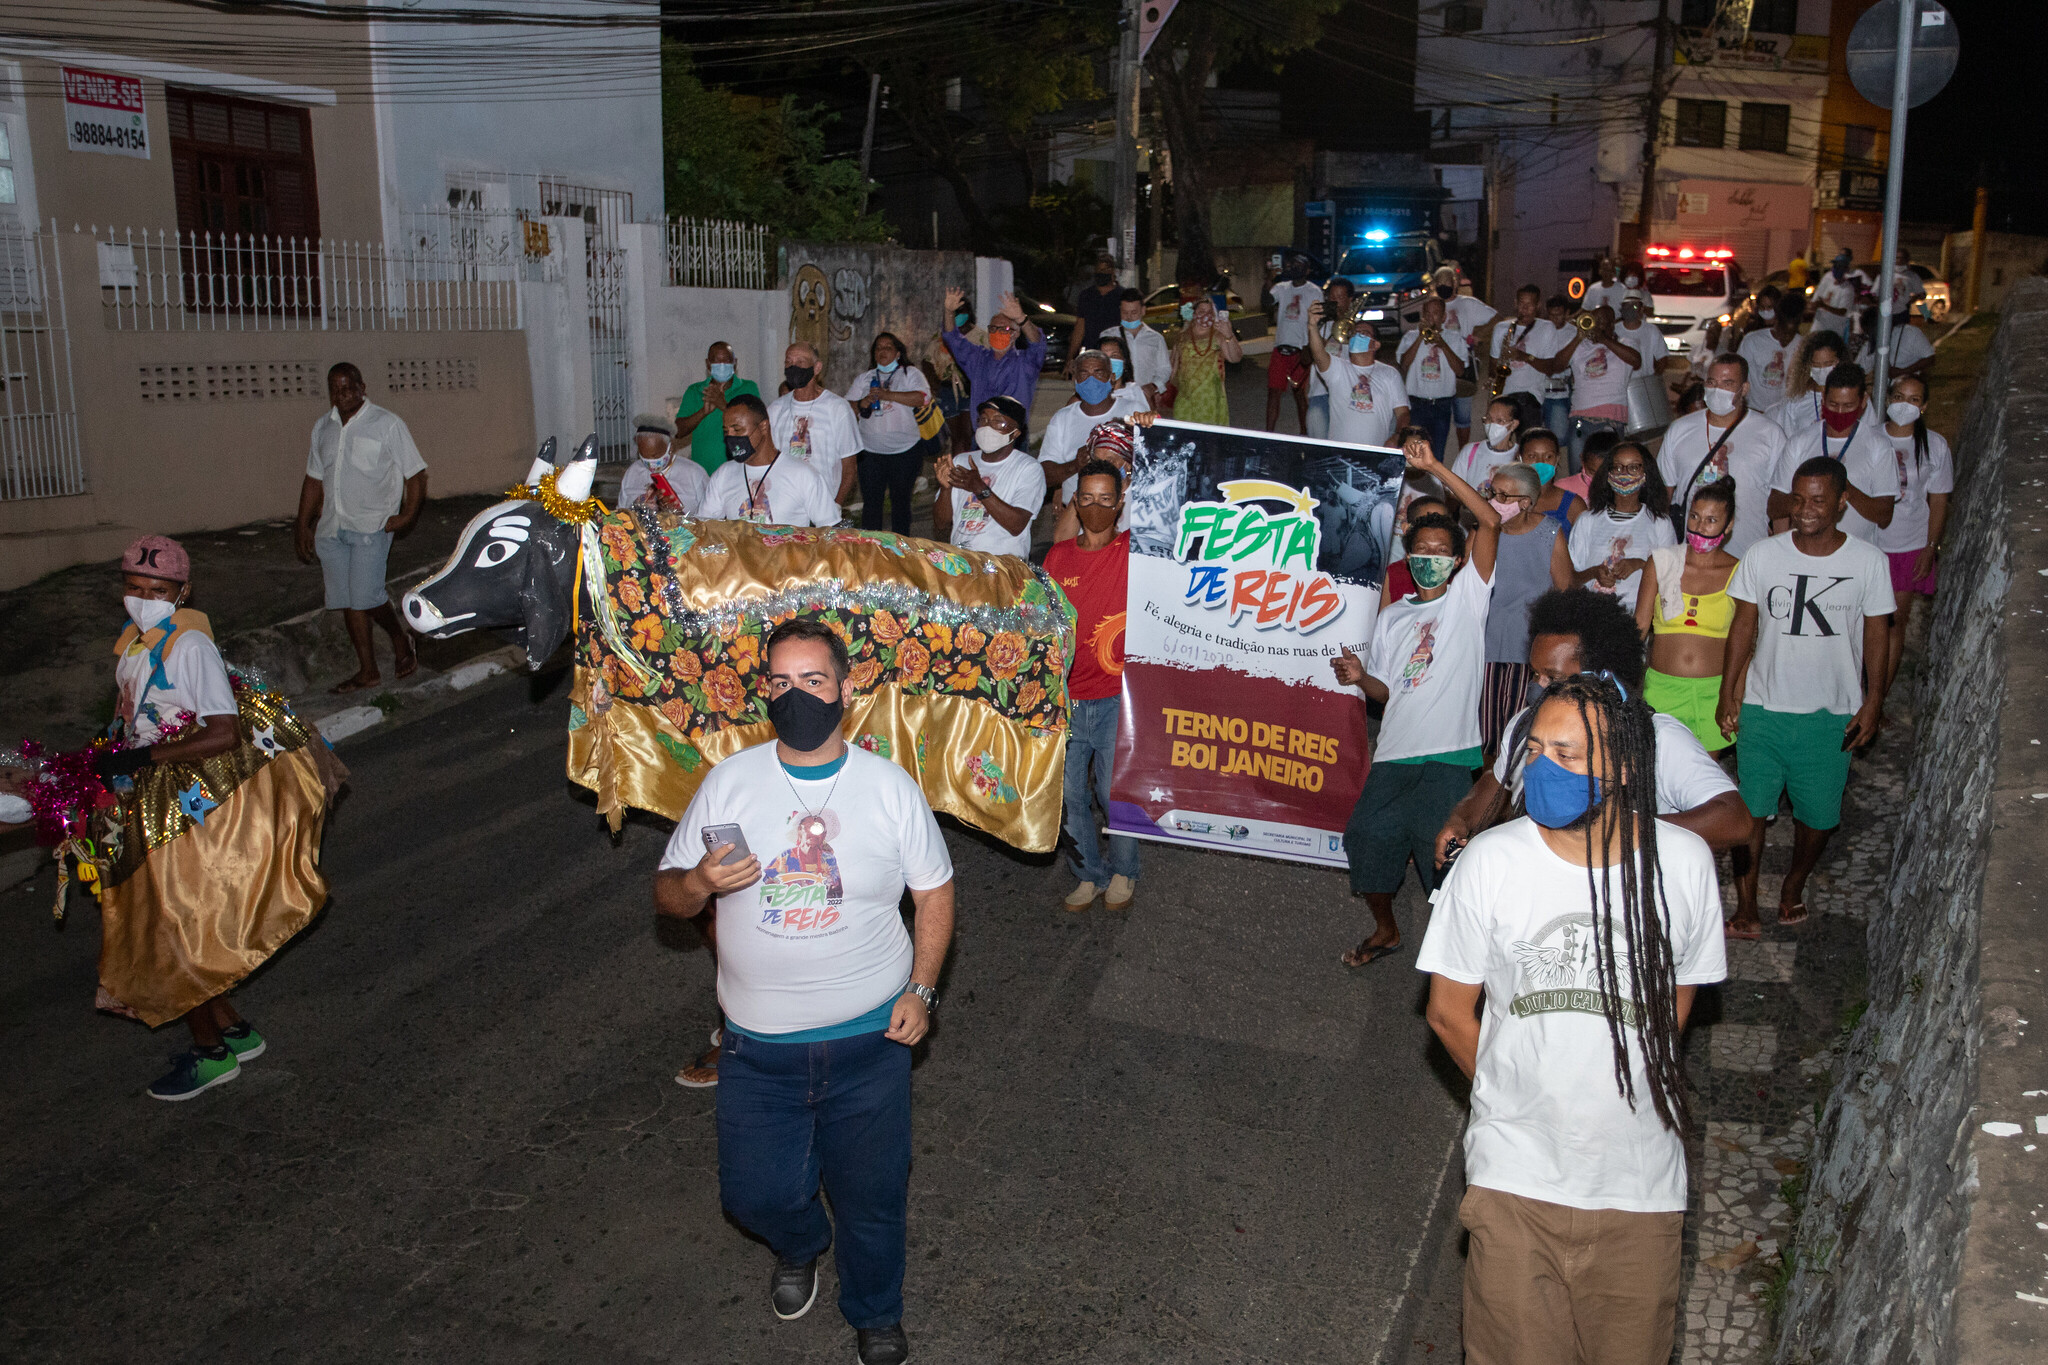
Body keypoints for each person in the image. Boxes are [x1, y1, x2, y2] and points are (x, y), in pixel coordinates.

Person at [656, 619, 954, 1365]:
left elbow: (936, 891)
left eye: (814, 680)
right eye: (782, 683)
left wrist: (923, 987)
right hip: (758, 1049)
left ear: (846, 690)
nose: (798, 695)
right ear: (766, 692)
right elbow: (669, 894)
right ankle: (799, 1242)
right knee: (752, 1195)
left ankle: (876, 1312)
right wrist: (697, 882)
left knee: (873, 1197)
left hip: (869, 1043)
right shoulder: (730, 781)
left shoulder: (889, 787)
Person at [1418, 672, 1725, 1365]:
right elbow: (1447, 1012)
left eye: (1568, 752)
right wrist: (1518, 1095)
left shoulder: (1682, 865)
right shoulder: (1491, 864)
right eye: (1535, 750)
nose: (1544, 767)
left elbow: (1670, 1015)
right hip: (1518, 1182)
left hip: (1639, 1189)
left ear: (1620, 766)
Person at [94, 535, 345, 1099]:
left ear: (183, 591)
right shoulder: (135, 642)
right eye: (133, 588)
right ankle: (233, 1030)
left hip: (184, 801)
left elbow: (223, 731)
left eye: (157, 590)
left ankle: (210, 1055)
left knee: (170, 931)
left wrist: (140, 757)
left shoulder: (189, 648)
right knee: (174, 922)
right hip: (149, 788)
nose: (143, 598)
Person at [1330, 434, 1500, 967]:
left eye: (1440, 552)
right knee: (1365, 840)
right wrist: (1361, 678)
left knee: (1444, 857)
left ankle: (1463, 958)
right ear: (1410, 556)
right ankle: (1386, 929)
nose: (1430, 558)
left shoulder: (1469, 601)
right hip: (1394, 753)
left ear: (1456, 561)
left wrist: (1434, 468)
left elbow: (1489, 522)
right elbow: (1386, 690)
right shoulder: (1392, 616)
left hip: (1449, 757)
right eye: (1421, 551)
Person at [1434, 588, 1750, 864]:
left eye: (1553, 678)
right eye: (1535, 674)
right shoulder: (1525, 725)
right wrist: (1462, 818)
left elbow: (1734, 819)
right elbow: (1499, 778)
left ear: (1601, 675)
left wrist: (1621, 832)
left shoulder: (1656, 737)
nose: (1539, 686)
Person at [1718, 456, 1894, 937]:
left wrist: (1873, 701)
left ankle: (1794, 883)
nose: (1805, 509)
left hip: (1829, 713)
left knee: (1817, 819)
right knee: (1750, 813)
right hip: (1763, 707)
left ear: (1841, 502)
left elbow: (1879, 633)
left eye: (1818, 500)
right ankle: (1747, 903)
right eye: (1798, 499)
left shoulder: (1867, 562)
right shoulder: (1764, 554)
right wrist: (1728, 692)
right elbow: (1744, 625)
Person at [1044, 458, 1138, 911]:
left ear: (1120, 503)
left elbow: (1173, 511)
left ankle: (1123, 871)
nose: (1096, 506)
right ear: (1075, 504)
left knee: (1110, 792)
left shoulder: (1133, 551)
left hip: (1118, 696)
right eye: (1087, 498)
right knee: (1069, 795)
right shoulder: (1057, 558)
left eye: (1106, 498)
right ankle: (1088, 873)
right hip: (1066, 699)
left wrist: (1153, 435)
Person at [295, 362, 423, 694]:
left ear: (362, 386)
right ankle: (367, 671)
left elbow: (416, 473)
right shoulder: (323, 427)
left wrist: (407, 515)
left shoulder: (387, 424)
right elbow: (313, 479)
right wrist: (302, 525)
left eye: (350, 386)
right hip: (332, 527)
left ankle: (399, 639)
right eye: (337, 389)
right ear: (331, 393)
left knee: (365, 597)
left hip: (371, 526)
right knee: (349, 600)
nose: (344, 394)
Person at [1637, 480, 1742, 755]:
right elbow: (1637, 629)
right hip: (1662, 689)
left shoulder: (1740, 572)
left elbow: (1744, 644)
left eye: (1711, 520)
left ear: (1728, 525)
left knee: (1704, 786)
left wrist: (1735, 698)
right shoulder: (1661, 562)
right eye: (1694, 517)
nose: (1699, 527)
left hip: (1714, 693)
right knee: (1659, 780)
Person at [1480, 461, 1570, 754]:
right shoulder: (1484, 532)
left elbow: (1566, 593)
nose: (1495, 502)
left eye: (1504, 497)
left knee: (1520, 738)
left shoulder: (1549, 534)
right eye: (1493, 493)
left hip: (1529, 655)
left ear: (1526, 503)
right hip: (1486, 649)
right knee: (1483, 736)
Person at [1657, 354, 1786, 557]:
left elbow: (1781, 498)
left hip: (1747, 554)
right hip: (1691, 555)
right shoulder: (1680, 429)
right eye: (1711, 382)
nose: (1717, 390)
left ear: (1744, 389)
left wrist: (1781, 550)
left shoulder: (1769, 433)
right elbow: (1664, 493)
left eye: (1727, 383)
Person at [1877, 373, 1951, 691]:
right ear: (1888, 399)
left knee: (1893, 624)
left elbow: (1938, 500)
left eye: (1914, 399)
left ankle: (1877, 696)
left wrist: (1930, 546)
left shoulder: (1934, 445)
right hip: (1870, 543)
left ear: (1924, 406)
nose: (1905, 405)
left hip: (1908, 545)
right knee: (1858, 624)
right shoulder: (1869, 438)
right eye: (1898, 397)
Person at [1768, 361, 1895, 547]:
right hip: (1806, 549)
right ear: (1823, 399)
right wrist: (1808, 496)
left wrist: (1844, 488)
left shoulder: (1878, 446)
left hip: (1856, 552)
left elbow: (1884, 516)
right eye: (1833, 405)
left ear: (1863, 402)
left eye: (1848, 406)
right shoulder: (1800, 442)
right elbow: (1774, 507)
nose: (1840, 412)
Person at [932, 395, 1046, 559]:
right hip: (962, 562)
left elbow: (1016, 525)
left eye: (998, 422)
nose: (988, 427)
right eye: (983, 420)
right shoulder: (961, 461)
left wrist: (980, 489)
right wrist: (945, 488)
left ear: (1015, 433)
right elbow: (941, 524)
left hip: (1004, 566)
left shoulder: (1028, 469)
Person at [704, 394, 841, 527]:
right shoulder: (723, 475)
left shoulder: (803, 475)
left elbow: (830, 533)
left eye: (737, 430)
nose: (731, 437)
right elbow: (702, 527)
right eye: (726, 432)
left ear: (763, 426)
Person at [1567, 440, 1675, 607]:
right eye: (1618, 467)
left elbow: (1670, 579)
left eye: (1633, 467)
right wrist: (1595, 572)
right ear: (1608, 474)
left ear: (1646, 473)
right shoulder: (1587, 521)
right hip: (1592, 614)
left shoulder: (1660, 523)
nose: (1624, 474)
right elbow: (1570, 579)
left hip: (1638, 616)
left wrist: (1640, 565)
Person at [1039, 350, 1149, 511]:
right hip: (1077, 513)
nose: (1091, 380)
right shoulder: (1063, 418)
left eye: (1098, 373)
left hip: (1126, 511)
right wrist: (1076, 465)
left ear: (1112, 378)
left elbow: (1153, 461)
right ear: (1075, 380)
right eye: (1084, 374)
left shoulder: (1133, 409)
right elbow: (1044, 475)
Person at [845, 333, 932, 535]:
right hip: (870, 453)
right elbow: (845, 408)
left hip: (905, 452)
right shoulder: (865, 378)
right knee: (872, 505)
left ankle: (900, 552)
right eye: (878, 348)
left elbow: (921, 398)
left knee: (900, 504)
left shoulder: (910, 374)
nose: (882, 351)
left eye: (888, 347)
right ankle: (871, 551)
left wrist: (887, 395)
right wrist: (861, 403)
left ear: (898, 353)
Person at [1538, 304, 1642, 466]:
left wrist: (1604, 340)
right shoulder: (1581, 346)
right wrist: (1578, 338)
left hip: (1611, 420)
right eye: (1594, 320)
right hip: (1580, 418)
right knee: (1578, 470)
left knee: (1608, 472)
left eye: (1601, 321)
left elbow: (1636, 361)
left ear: (1611, 324)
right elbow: (1556, 367)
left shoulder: (1626, 342)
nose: (1597, 324)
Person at [770, 343, 863, 504]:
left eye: (800, 362)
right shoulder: (775, 409)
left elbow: (849, 468)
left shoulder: (837, 408)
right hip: (785, 505)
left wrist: (835, 508)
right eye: (788, 362)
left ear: (817, 367)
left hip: (824, 502)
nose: (793, 367)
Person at [1308, 301, 1409, 449]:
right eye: (1355, 333)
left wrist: (1397, 436)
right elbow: (1318, 354)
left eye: (1364, 333)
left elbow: (1403, 413)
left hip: (1375, 455)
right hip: (1340, 455)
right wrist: (1312, 327)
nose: (1358, 335)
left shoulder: (1390, 373)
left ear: (1375, 344)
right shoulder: (1338, 368)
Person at [942, 285, 1047, 413]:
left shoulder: (1025, 363)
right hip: (982, 430)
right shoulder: (978, 359)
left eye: (1004, 329)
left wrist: (1021, 319)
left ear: (1016, 333)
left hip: (1011, 431)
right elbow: (952, 339)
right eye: (993, 329)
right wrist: (949, 312)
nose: (998, 333)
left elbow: (1037, 343)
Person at [1396, 295, 1471, 457]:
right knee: (1412, 454)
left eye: (1436, 313)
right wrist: (1420, 338)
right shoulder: (1410, 336)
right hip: (1416, 403)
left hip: (1442, 405)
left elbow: (1460, 370)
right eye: (1427, 314)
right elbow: (1404, 364)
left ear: (1443, 317)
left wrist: (1443, 344)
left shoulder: (1455, 338)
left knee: (1436, 453)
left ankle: (1435, 482)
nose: (1431, 317)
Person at [676, 341, 762, 476]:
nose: (722, 365)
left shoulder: (749, 387)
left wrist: (723, 405)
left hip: (740, 470)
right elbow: (679, 431)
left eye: (727, 360)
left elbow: (756, 424)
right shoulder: (694, 391)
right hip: (703, 472)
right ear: (708, 364)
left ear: (735, 362)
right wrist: (703, 412)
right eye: (716, 361)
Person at [1437, 271, 1497, 446]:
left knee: (1463, 416)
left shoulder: (1468, 304)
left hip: (1463, 364)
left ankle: (1464, 453)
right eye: (1439, 283)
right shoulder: (1433, 305)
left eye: (1446, 283)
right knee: (1440, 416)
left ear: (1455, 283)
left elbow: (1497, 320)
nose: (1443, 287)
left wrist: (1479, 337)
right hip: (1439, 365)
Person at [1266, 254, 1323, 433]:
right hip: (1281, 349)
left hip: (1301, 350)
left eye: (1299, 265)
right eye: (1292, 264)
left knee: (1300, 395)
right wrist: (1269, 278)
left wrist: (1309, 348)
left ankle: (1304, 434)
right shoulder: (1281, 288)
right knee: (1273, 393)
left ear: (1307, 270)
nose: (1294, 267)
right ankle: (1268, 434)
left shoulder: (1314, 291)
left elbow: (1318, 319)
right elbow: (1266, 302)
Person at [1164, 296, 1242, 425]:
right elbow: (1173, 371)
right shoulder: (1182, 338)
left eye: (1209, 312)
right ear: (1194, 315)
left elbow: (1235, 358)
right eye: (1201, 312)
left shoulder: (1219, 336)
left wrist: (1229, 335)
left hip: (1211, 403)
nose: (1206, 316)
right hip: (1185, 404)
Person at [1765, 331, 1848, 445]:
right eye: (1816, 365)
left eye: (1828, 364)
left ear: (1839, 361)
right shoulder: (1795, 400)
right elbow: (1786, 442)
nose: (1822, 369)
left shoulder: (1854, 398)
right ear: (1807, 366)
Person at [618, 412, 709, 515]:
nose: (650, 461)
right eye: (644, 456)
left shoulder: (694, 473)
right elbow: (621, 511)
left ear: (671, 448)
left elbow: (707, 518)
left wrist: (677, 514)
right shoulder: (632, 472)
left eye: (655, 456)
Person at [1489, 284, 1564, 407]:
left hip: (1531, 397)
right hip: (1503, 396)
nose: (1524, 309)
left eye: (1530, 305)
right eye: (1521, 304)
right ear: (1515, 303)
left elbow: (1550, 369)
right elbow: (1492, 371)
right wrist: (1502, 360)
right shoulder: (1501, 328)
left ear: (1538, 306)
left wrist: (1524, 356)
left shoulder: (1547, 328)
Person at [1305, 276, 1359, 440]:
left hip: (1348, 395)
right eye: (1331, 298)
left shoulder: (1359, 328)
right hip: (1320, 393)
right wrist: (1316, 331)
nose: (1335, 302)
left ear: (1350, 300)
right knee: (1318, 445)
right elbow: (1305, 359)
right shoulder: (1319, 325)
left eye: (1340, 298)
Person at [1737, 293, 1806, 412]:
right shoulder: (1752, 341)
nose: (1786, 339)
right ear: (1777, 321)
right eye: (1784, 332)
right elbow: (1738, 374)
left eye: (1791, 334)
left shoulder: (1803, 345)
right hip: (1755, 411)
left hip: (1785, 412)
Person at [1448, 395, 1525, 494]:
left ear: (1513, 424)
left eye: (1499, 421)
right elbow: (1453, 489)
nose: (1492, 425)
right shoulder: (1470, 451)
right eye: (1489, 419)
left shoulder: (1519, 456)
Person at [1109, 287, 1172, 407]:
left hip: (1144, 399)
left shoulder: (1155, 338)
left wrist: (1154, 386)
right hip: (1116, 398)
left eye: (1133, 313)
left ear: (1143, 311)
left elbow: (1164, 369)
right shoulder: (1109, 336)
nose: (1129, 317)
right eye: (1125, 312)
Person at [1855, 308, 1936, 383]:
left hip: (1909, 385)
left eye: (1870, 333)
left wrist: (1903, 372)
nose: (1869, 336)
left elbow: (1930, 358)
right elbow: (1860, 369)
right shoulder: (1871, 342)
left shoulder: (1910, 333)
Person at [1072, 254, 1125, 364]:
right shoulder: (1087, 296)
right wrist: (1071, 357)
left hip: (1115, 354)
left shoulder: (1122, 295)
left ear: (1112, 271)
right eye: (1100, 269)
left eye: (1106, 269)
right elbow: (1080, 328)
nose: (1102, 273)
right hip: (1092, 352)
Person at [1538, 296, 1577, 438]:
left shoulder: (1573, 333)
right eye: (1551, 315)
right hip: (1540, 388)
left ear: (1567, 313)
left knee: (1559, 436)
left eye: (1558, 315)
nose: (1554, 319)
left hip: (1561, 390)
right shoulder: (1540, 330)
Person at [1615, 290, 1672, 381]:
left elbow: (1662, 358)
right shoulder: (1615, 330)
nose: (1630, 309)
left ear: (1641, 309)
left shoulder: (1651, 330)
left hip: (1643, 383)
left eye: (1634, 306)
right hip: (1620, 383)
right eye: (1627, 306)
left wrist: (1654, 380)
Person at [1808, 251, 1860, 338]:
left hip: (1833, 333)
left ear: (1846, 269)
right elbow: (1816, 299)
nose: (1837, 269)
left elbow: (1843, 311)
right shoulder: (1827, 279)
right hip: (1817, 330)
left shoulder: (1848, 289)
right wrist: (1812, 306)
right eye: (1835, 266)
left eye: (1840, 267)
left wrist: (1823, 306)